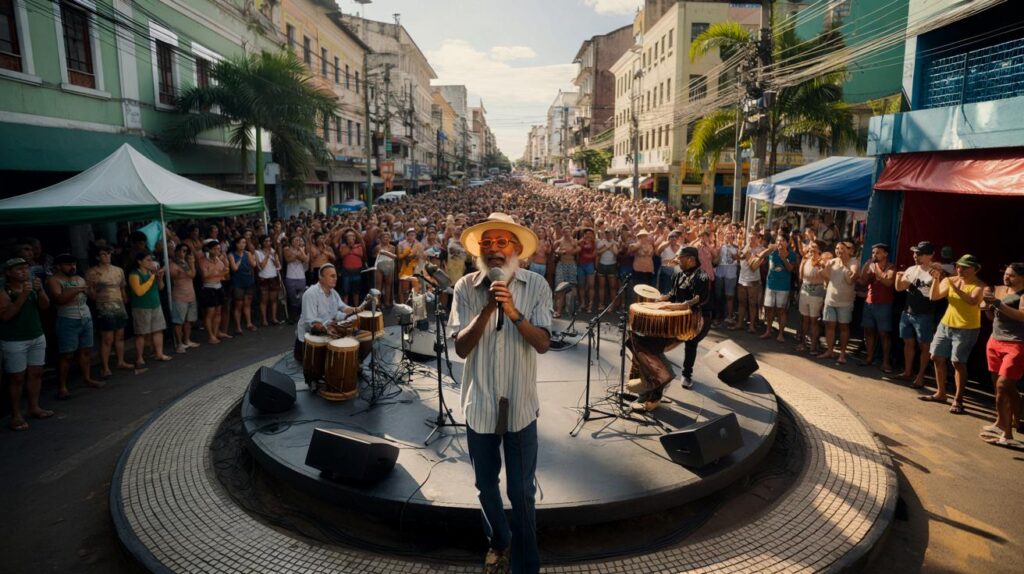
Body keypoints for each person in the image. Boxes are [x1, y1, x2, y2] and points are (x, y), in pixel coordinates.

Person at [449, 213, 551, 574]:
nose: (493, 250)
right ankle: (499, 541)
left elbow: (542, 344)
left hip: (520, 405)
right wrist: (490, 307)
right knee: (484, 485)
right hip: (480, 404)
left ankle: (526, 564)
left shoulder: (537, 286)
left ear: (517, 249)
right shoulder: (465, 288)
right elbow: (460, 349)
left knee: (522, 492)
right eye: (487, 244)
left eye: (501, 243)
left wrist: (513, 311)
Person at [922, 254, 985, 415]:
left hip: (966, 328)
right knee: (936, 356)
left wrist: (955, 285)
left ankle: (958, 399)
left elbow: (972, 301)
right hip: (946, 324)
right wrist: (937, 279)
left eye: (965, 267)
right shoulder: (950, 280)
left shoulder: (980, 285)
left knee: (958, 362)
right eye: (958, 266)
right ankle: (941, 393)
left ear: (975, 269)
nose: (960, 270)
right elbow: (934, 296)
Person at [0, 257, 52, 431]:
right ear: (8, 273)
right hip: (15, 339)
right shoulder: (4, 291)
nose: (24, 271)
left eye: (25, 268)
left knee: (36, 372)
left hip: (36, 335)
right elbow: (6, 315)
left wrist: (41, 291)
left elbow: (45, 306)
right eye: (19, 269)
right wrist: (22, 296)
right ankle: (16, 414)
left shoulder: (32, 286)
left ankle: (34, 406)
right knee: (17, 377)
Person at [980, 262, 1024, 447]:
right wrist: (989, 306)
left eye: (1011, 275)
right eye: (1005, 274)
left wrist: (998, 304)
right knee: (1001, 389)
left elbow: (1022, 315)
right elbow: (992, 316)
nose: (1007, 277)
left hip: (1016, 344)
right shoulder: (1000, 290)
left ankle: (1004, 422)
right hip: (995, 341)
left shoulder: (1022, 295)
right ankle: (1007, 434)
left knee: (1003, 385)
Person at [48, 253, 101, 398]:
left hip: (85, 317)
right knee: (67, 354)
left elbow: (93, 297)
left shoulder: (79, 278)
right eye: (68, 264)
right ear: (58, 266)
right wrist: (77, 289)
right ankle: (63, 386)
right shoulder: (54, 280)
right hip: (67, 319)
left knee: (86, 351)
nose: (72, 267)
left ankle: (87, 378)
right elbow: (59, 299)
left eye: (74, 264)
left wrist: (92, 287)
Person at [294, 264, 366, 363]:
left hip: (325, 333)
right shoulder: (310, 294)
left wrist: (356, 310)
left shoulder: (333, 293)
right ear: (321, 278)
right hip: (308, 343)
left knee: (359, 337)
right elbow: (311, 323)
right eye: (332, 276)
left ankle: (355, 364)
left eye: (336, 276)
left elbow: (343, 309)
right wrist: (328, 329)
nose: (335, 278)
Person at [894, 241, 938, 388]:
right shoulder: (911, 269)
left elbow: (937, 294)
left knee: (924, 346)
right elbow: (899, 288)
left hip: (924, 314)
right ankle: (908, 372)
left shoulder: (935, 271)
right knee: (908, 342)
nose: (915, 256)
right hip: (908, 312)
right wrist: (899, 277)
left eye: (920, 254)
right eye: (914, 253)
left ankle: (920, 376)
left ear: (931, 255)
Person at [86, 246, 133, 377]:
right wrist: (92, 289)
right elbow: (90, 293)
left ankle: (121, 361)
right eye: (103, 254)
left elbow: (122, 288)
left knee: (120, 335)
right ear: (97, 257)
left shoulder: (118, 270)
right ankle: (105, 367)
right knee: (107, 338)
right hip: (103, 306)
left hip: (119, 305)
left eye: (108, 253)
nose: (107, 256)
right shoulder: (93, 272)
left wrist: (125, 300)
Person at [129, 252, 171, 369]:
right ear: (139, 262)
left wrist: (159, 278)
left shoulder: (151, 272)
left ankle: (159, 353)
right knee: (141, 333)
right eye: (147, 260)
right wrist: (152, 277)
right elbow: (139, 291)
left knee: (158, 330)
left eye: (151, 260)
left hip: (155, 304)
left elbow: (161, 287)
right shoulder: (134, 274)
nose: (151, 262)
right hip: (141, 307)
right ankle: (139, 357)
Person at [819, 241, 858, 364]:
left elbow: (852, 279)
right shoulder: (833, 261)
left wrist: (845, 265)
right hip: (830, 300)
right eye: (837, 248)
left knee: (843, 328)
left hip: (845, 302)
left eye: (842, 248)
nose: (838, 250)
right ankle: (829, 351)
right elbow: (825, 277)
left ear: (849, 250)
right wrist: (823, 268)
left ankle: (842, 354)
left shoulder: (854, 262)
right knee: (829, 326)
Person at [858, 243, 896, 373]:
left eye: (878, 252)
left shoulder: (891, 267)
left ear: (885, 254)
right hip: (869, 302)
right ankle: (869, 358)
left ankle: (885, 362)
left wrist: (876, 269)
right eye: (873, 253)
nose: (874, 255)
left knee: (884, 334)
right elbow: (862, 281)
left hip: (884, 304)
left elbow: (888, 282)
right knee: (868, 331)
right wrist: (866, 267)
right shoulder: (871, 265)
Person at [760, 235, 797, 343]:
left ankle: (781, 334)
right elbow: (760, 256)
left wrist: (783, 258)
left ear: (787, 243)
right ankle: (768, 330)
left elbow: (790, 269)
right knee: (769, 309)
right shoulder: (772, 252)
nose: (780, 242)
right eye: (778, 240)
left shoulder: (792, 254)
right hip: (770, 285)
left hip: (783, 287)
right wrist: (769, 248)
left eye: (782, 240)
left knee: (781, 311)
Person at [796, 240, 827, 354]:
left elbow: (826, 277)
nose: (811, 248)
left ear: (819, 249)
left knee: (814, 321)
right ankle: (803, 343)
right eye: (810, 246)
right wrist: (803, 262)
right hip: (805, 289)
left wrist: (821, 266)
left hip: (817, 292)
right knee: (804, 319)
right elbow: (800, 276)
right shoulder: (806, 259)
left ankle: (813, 346)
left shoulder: (823, 261)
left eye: (814, 246)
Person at [169, 244, 200, 353]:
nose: (184, 253)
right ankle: (179, 343)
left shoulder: (187, 263)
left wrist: (190, 264)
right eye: (183, 251)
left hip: (191, 295)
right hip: (179, 296)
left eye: (186, 251)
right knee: (178, 321)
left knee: (189, 320)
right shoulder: (173, 264)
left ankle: (187, 340)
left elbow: (193, 274)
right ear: (177, 251)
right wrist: (190, 264)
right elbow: (188, 274)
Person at [228, 237, 257, 335]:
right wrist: (240, 259)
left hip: (248, 281)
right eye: (241, 243)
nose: (243, 245)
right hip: (238, 282)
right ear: (236, 244)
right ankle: (238, 327)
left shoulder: (247, 253)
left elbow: (253, 264)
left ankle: (249, 323)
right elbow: (234, 268)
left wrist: (252, 256)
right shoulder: (231, 255)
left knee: (247, 304)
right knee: (238, 305)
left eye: (244, 243)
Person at [735, 233, 763, 333]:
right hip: (742, 279)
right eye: (749, 239)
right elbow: (737, 258)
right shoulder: (744, 247)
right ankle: (739, 323)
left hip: (753, 280)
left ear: (757, 239)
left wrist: (747, 255)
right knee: (741, 302)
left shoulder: (760, 250)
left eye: (753, 239)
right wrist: (740, 252)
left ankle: (751, 326)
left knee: (752, 304)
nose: (751, 240)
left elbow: (754, 266)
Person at [255, 235, 283, 326]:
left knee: (274, 299)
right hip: (263, 278)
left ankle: (274, 318)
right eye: (266, 241)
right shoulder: (258, 252)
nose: (268, 243)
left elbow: (278, 266)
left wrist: (274, 258)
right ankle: (264, 319)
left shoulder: (273, 252)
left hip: (273, 277)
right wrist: (267, 256)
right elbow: (261, 267)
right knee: (264, 300)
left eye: (269, 241)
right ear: (262, 243)